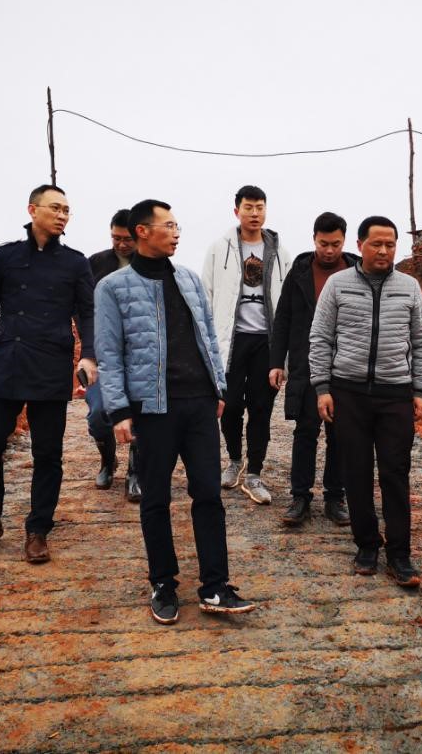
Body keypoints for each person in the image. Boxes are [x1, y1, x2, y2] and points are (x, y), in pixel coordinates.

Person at [96, 199, 257, 624]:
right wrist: (119, 411)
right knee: (155, 498)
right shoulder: (113, 287)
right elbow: (109, 353)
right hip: (152, 409)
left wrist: (218, 386)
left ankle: (215, 586)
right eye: (168, 225)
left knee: (208, 495)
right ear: (142, 231)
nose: (176, 232)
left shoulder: (187, 278)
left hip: (199, 404)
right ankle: (163, 583)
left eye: (176, 225)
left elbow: (208, 336)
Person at [0, 184, 96, 564]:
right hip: (6, 360)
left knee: (47, 453)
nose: (62, 215)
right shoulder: (6, 257)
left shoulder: (75, 263)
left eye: (67, 210)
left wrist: (88, 356)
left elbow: (87, 314)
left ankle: (38, 530)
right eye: (55, 208)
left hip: (50, 365)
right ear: (32, 210)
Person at [309, 216, 422, 588]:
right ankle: (366, 546)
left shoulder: (409, 287)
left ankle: (400, 554)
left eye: (390, 244)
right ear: (360, 245)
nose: (383, 251)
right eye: (376, 244)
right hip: (349, 393)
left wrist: (420, 390)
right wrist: (322, 387)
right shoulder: (338, 284)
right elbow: (320, 338)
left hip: (395, 394)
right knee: (356, 473)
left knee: (395, 473)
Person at [201, 185, 292, 505]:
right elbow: (206, 296)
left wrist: (284, 354)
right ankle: (234, 460)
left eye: (260, 207)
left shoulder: (280, 253)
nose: (254, 213)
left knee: (261, 407)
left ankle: (254, 472)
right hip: (231, 340)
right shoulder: (219, 249)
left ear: (266, 210)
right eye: (248, 207)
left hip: (266, 342)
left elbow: (287, 303)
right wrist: (208, 344)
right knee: (229, 406)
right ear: (236, 211)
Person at [269, 212, 356, 527]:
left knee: (340, 435)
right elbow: (283, 318)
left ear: (344, 241)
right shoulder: (301, 271)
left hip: (347, 366)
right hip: (306, 364)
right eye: (323, 244)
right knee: (305, 431)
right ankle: (300, 497)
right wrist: (277, 362)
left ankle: (335, 498)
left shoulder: (357, 271)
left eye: (335, 244)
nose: (329, 250)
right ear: (314, 239)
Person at [86, 208, 141, 502]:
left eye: (126, 239)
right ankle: (108, 461)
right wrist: (87, 352)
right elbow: (83, 309)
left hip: (139, 357)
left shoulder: (151, 265)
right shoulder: (95, 264)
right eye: (115, 238)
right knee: (98, 413)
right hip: (103, 356)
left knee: (141, 413)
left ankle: (135, 471)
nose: (120, 244)